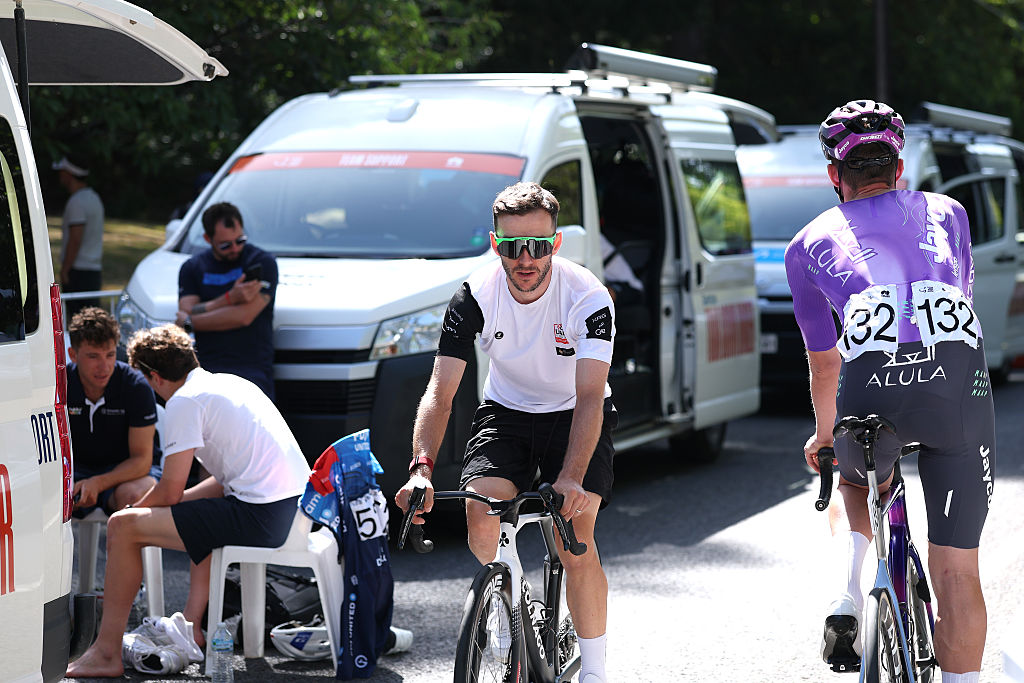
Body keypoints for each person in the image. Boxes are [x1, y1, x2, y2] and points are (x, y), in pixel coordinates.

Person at [786, 100, 994, 683]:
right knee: (957, 573)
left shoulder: (805, 244)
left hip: (870, 392)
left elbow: (824, 363)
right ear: (898, 167)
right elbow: (959, 303)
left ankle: (849, 591)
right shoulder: (949, 211)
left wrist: (824, 436)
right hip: (955, 390)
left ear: (835, 175)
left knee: (851, 471)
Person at [395, 182, 617, 683]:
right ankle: (505, 606)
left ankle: (596, 673)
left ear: (555, 245)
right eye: (512, 245)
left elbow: (589, 397)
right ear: (496, 244)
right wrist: (421, 470)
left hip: (574, 414)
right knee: (480, 513)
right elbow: (441, 390)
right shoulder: (475, 295)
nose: (525, 258)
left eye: (538, 245)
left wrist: (572, 477)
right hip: (507, 411)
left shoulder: (588, 297)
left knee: (574, 541)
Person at [66, 324, 311, 679]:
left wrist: (133, 512)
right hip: (292, 509)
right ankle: (192, 626)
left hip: (264, 517)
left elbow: (169, 491)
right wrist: (162, 508)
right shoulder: (229, 382)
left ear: (153, 376)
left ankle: (106, 652)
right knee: (193, 517)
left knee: (121, 526)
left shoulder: (183, 401)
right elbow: (212, 486)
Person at [176, 201, 278, 398]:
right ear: (207, 238)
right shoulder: (192, 268)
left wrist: (190, 323)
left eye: (240, 240)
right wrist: (228, 299)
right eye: (225, 245)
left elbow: (243, 317)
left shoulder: (262, 262)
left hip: (251, 369)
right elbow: (186, 309)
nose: (235, 248)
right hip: (205, 367)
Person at [68, 307, 159, 517]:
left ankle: (124, 550)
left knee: (133, 497)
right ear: (73, 354)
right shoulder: (58, 385)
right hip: (75, 473)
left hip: (128, 473)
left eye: (110, 355)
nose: (104, 366)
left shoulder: (135, 385)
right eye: (93, 356)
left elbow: (142, 461)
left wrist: (98, 482)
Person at [54, 155, 104, 318]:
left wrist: (66, 269)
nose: (60, 176)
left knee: (78, 321)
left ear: (69, 174)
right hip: (93, 271)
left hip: (79, 272)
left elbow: (75, 239)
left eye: (62, 172)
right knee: (91, 320)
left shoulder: (77, 202)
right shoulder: (94, 198)